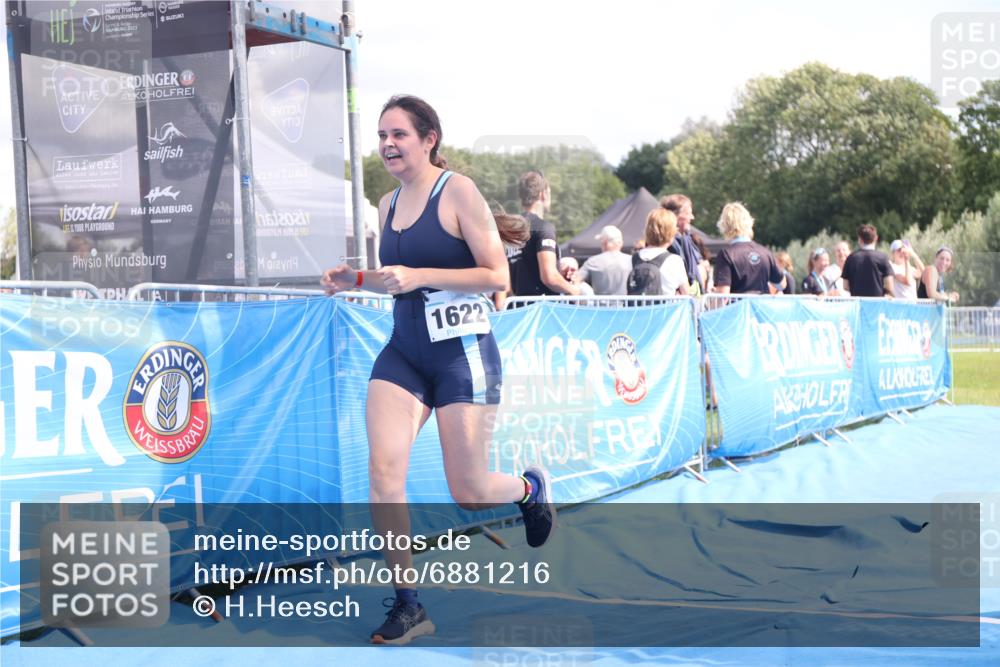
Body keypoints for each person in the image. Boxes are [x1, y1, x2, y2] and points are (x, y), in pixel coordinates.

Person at [320, 95, 554, 645]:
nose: (387, 144)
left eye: (398, 134)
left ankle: (528, 487)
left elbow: (498, 275)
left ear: (429, 140)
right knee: (383, 475)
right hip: (404, 352)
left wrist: (419, 272)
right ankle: (408, 606)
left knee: (469, 491)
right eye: (381, 135)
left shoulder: (460, 192)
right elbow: (393, 278)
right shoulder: (386, 203)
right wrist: (355, 280)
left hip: (462, 355)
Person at [506, 170, 580, 299]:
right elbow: (549, 277)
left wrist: (559, 276)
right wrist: (574, 291)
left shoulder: (512, 228)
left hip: (518, 307)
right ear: (543, 194)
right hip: (542, 311)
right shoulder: (544, 228)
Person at [711, 202, 783, 294]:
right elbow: (781, 284)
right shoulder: (765, 253)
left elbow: (722, 297)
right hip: (761, 307)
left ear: (724, 225)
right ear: (749, 223)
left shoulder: (726, 255)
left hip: (738, 308)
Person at [627, 208, 690, 296]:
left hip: (637, 309)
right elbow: (686, 294)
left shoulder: (632, 259)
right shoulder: (675, 261)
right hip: (666, 309)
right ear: (671, 233)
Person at [660, 194, 703, 291]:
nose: (692, 217)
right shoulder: (666, 242)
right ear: (674, 216)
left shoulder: (686, 238)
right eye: (688, 213)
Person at [574, 225, 631, 295]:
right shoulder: (631, 260)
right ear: (621, 243)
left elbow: (576, 280)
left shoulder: (593, 261)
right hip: (628, 305)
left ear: (605, 243)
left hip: (600, 305)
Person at [841, 224, 894, 298]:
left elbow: (845, 286)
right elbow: (890, 286)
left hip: (858, 304)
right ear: (876, 238)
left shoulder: (851, 258)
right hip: (877, 304)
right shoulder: (882, 258)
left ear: (860, 239)